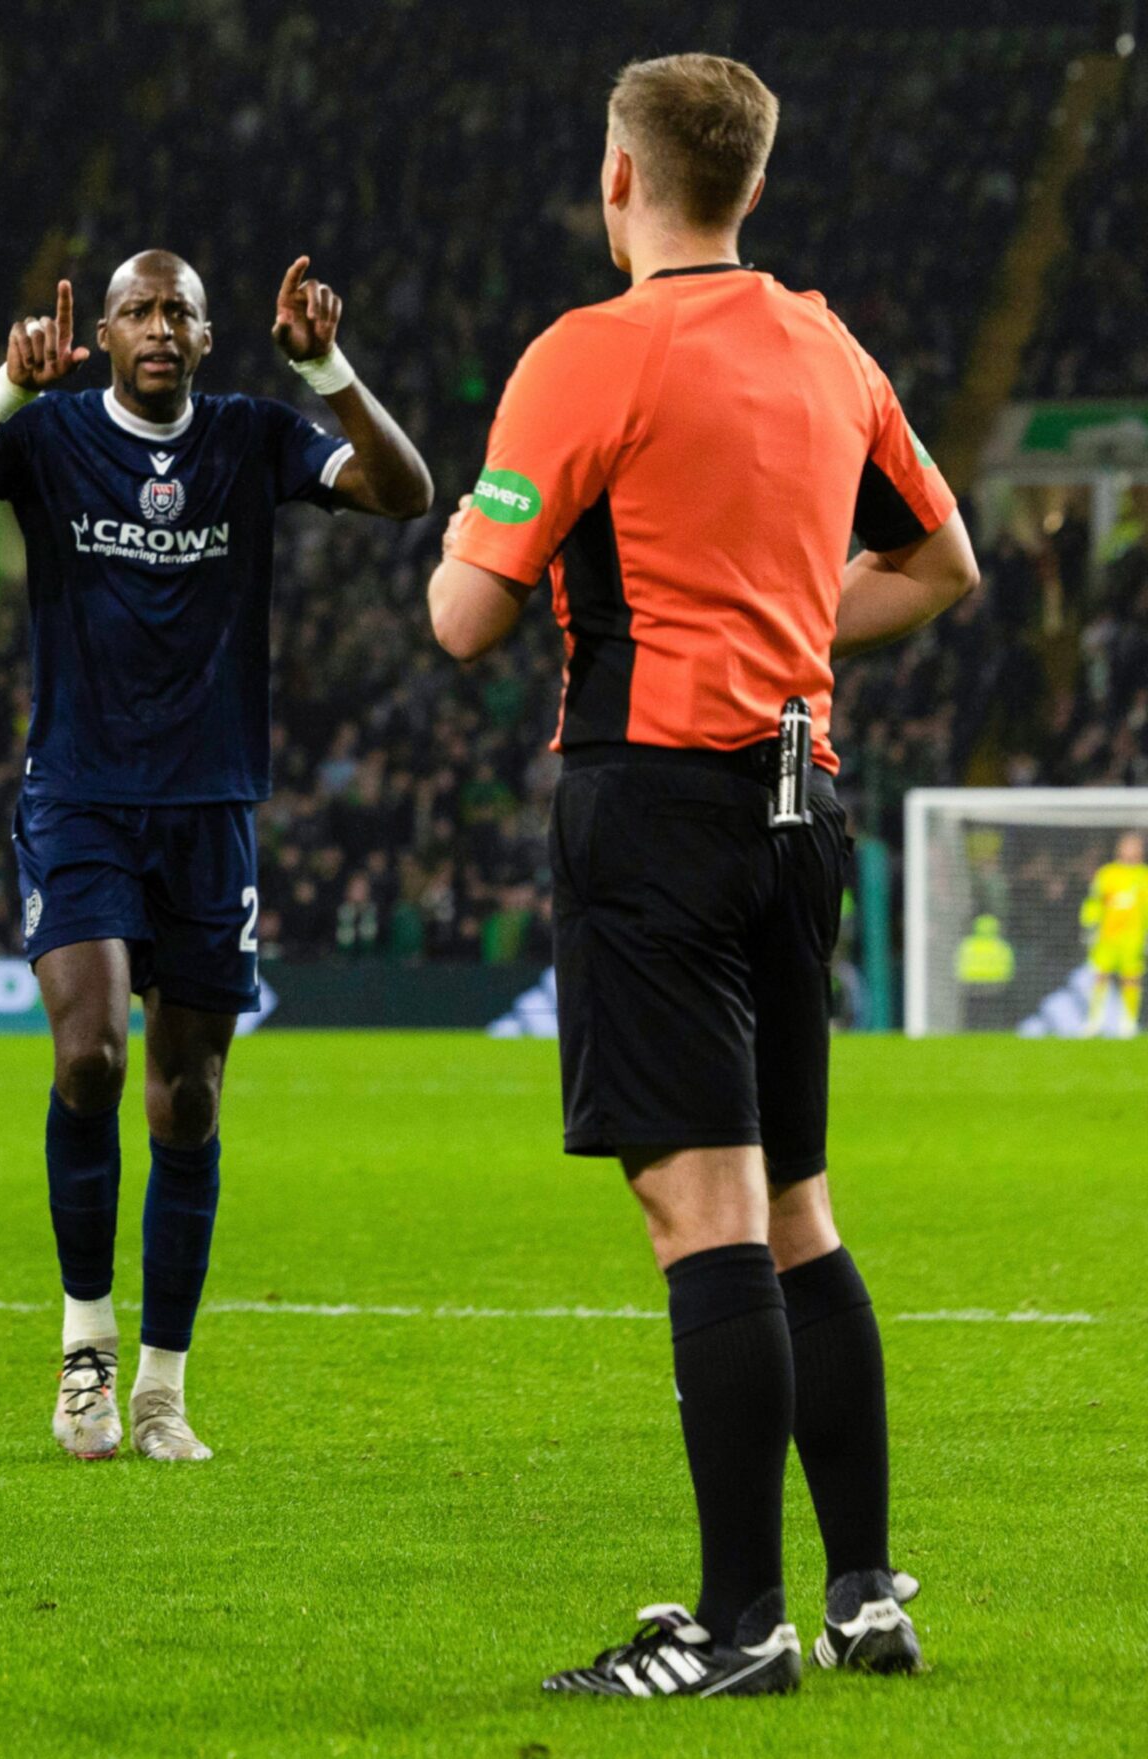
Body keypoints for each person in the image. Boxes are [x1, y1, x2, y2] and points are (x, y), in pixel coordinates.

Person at [426, 53, 978, 1696]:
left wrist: (477, 520)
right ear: (749, 183)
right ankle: (866, 1586)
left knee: (704, 1210)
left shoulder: (586, 356)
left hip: (652, 804)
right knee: (797, 1201)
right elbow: (939, 561)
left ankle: (742, 1624)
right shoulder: (826, 343)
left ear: (619, 179)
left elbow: (467, 616)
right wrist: (789, 631)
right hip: (802, 803)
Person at [0, 253, 430, 1461]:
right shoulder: (52, 436)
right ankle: (84, 1351)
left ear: (211, 334)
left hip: (211, 805)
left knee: (189, 1097)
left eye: (179, 309)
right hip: (78, 795)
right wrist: (2, 393)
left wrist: (326, 369)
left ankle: (164, 1385)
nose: (160, 327)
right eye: (138, 310)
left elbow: (405, 492)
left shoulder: (251, 435)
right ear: (105, 335)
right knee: (91, 1059)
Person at [1080, 831, 1146, 1038]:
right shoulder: (1107, 873)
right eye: (1127, 845)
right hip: (1107, 936)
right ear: (1119, 848)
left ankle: (1127, 1024)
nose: (1130, 850)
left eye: (1135, 846)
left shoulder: (1144, 876)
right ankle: (1094, 1022)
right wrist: (1089, 924)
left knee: (1131, 979)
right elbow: (1094, 901)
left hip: (1134, 937)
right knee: (1100, 977)